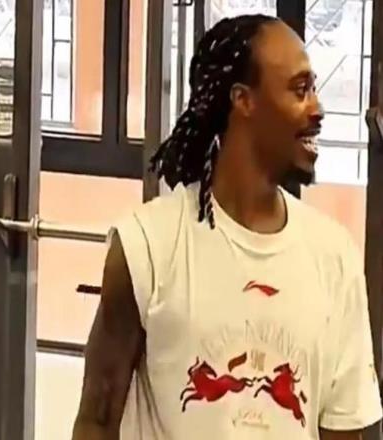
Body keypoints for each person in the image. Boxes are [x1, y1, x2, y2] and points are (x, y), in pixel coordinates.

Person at [71, 14, 382, 440]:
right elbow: (97, 420)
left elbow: (346, 429)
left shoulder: (335, 257)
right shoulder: (147, 247)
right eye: (300, 89)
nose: (317, 109)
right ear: (243, 100)